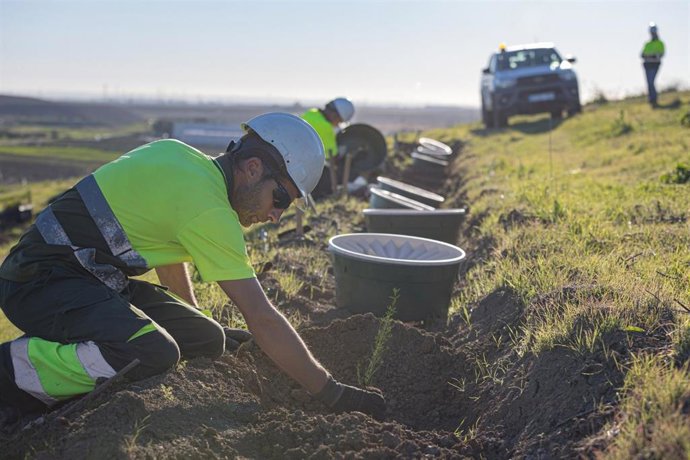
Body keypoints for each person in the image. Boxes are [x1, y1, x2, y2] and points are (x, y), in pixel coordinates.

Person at [0, 112, 386, 428]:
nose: (275, 215)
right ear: (252, 168)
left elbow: (168, 249)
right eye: (281, 197)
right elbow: (262, 317)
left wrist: (196, 319)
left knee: (205, 338)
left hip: (88, 274)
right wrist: (332, 392)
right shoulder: (210, 211)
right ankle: (13, 373)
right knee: (151, 351)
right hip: (38, 282)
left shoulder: (183, 159)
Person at [301, 98, 355, 198]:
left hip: (295, 157)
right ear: (335, 115)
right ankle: (319, 198)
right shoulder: (325, 127)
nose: (338, 124)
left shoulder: (311, 112)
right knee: (330, 174)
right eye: (339, 121)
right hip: (304, 168)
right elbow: (332, 156)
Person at [641, 22, 665, 108]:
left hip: (655, 65)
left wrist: (650, 56)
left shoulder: (660, 43)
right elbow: (642, 55)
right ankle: (651, 99)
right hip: (647, 65)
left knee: (651, 82)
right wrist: (652, 55)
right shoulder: (647, 44)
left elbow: (661, 55)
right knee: (649, 82)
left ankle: (653, 99)